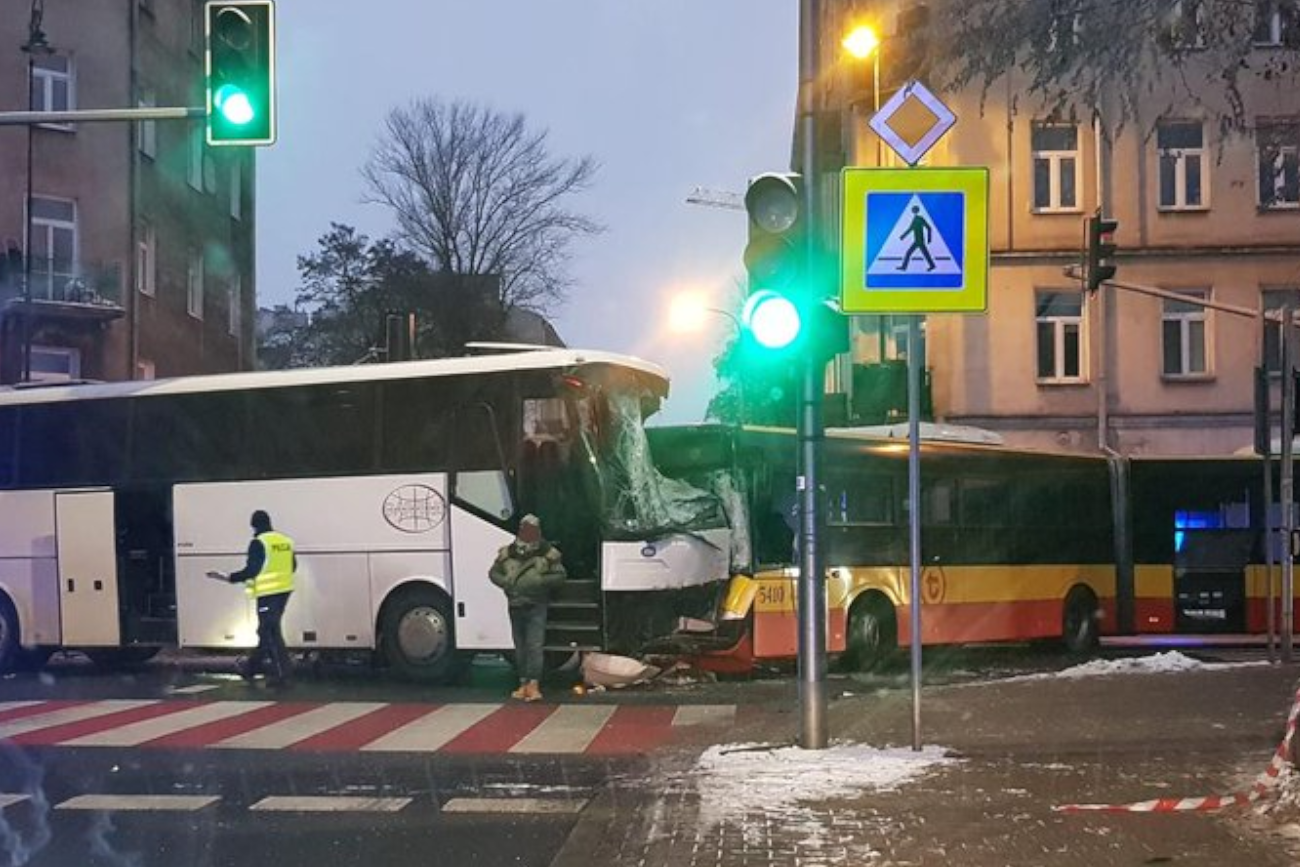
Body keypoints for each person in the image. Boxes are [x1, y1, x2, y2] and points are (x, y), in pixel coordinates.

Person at [207, 510, 297, 688]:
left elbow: (252, 570)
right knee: (266, 630)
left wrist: (228, 577)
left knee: (270, 633)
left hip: (267, 594)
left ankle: (282, 674)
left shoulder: (258, 543)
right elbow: (293, 566)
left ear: (254, 525)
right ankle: (252, 667)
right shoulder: (284, 541)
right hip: (284, 592)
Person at [489, 514, 566, 702]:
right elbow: (493, 573)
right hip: (515, 604)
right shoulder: (508, 553)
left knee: (534, 645)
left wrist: (541, 582)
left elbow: (560, 575)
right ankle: (523, 682)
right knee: (520, 647)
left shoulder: (548, 553)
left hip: (536, 604)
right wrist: (505, 583)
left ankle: (534, 684)